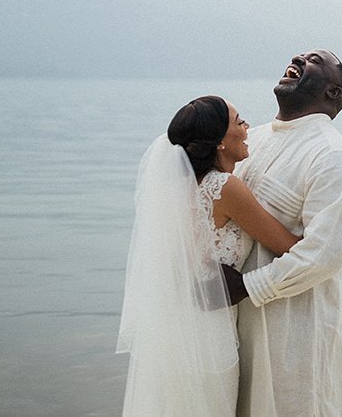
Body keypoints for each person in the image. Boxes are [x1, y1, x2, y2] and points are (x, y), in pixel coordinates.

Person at [117, 95, 301, 416]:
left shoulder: (177, 189)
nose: (247, 128)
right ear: (219, 141)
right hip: (207, 335)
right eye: (239, 121)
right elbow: (288, 245)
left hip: (172, 330)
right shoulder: (225, 187)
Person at [224, 49, 342, 416]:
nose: (299, 58)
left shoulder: (333, 157)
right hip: (229, 323)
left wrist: (246, 287)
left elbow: (324, 256)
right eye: (300, 55)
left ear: (333, 93)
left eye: (315, 60)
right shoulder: (250, 140)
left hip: (293, 329)